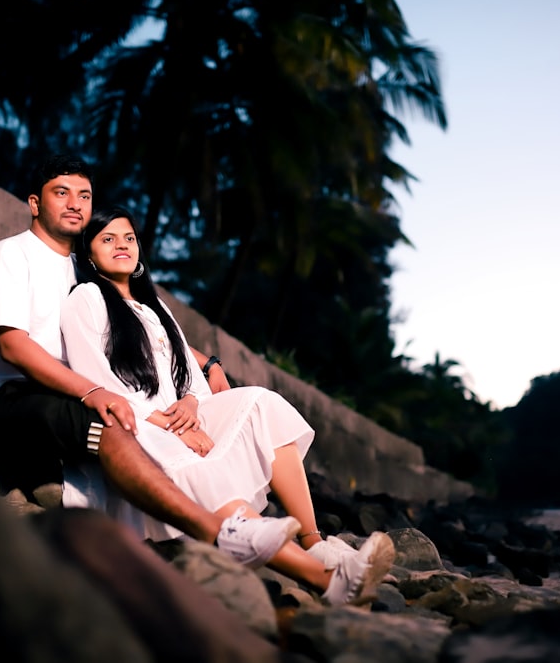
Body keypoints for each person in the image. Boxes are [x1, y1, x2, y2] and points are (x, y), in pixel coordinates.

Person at [0, 153, 300, 569]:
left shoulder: (84, 267)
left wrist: (209, 363)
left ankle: (295, 541)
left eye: (84, 195)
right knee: (117, 423)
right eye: (61, 193)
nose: (75, 203)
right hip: (12, 397)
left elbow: (150, 331)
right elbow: (14, 347)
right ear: (35, 203)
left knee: (185, 419)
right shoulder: (11, 255)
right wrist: (95, 391)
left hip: (69, 394)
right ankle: (217, 531)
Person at [58, 205, 396, 605]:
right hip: (138, 423)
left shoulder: (156, 308)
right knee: (197, 469)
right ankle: (327, 579)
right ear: (91, 255)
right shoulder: (86, 299)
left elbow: (189, 375)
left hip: (184, 417)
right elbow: (98, 382)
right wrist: (170, 425)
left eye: (129, 238)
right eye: (108, 239)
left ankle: (312, 540)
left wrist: (191, 407)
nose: (122, 246)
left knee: (259, 403)